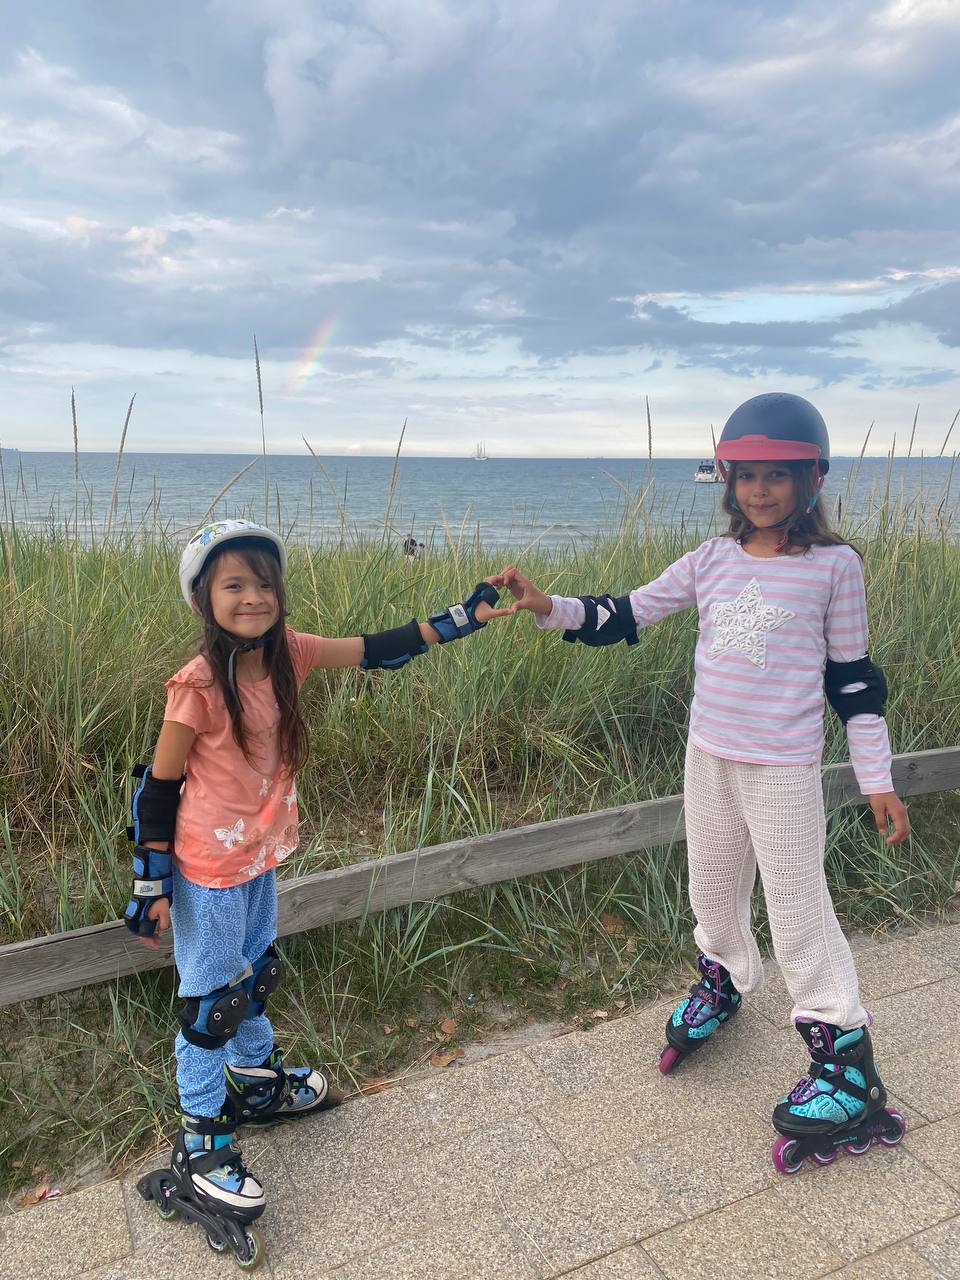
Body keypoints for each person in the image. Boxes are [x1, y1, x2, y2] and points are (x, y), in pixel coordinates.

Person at [493, 393, 911, 1172]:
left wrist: (877, 778)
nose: (760, 490)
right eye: (745, 475)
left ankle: (847, 1062)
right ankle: (724, 981)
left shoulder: (835, 566)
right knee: (711, 889)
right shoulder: (711, 560)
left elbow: (854, 682)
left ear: (812, 479)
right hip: (709, 757)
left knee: (798, 911)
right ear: (727, 481)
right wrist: (547, 605)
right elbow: (627, 613)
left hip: (783, 769)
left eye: (777, 475)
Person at [124, 518, 508, 1253]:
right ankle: (200, 1139)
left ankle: (254, 1078)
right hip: (208, 870)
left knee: (255, 976)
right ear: (204, 599)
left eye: (265, 583)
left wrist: (463, 618)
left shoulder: (290, 654)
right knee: (211, 1003)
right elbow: (158, 788)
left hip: (259, 857)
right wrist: (151, 882)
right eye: (234, 585)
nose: (254, 597)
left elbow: (376, 647)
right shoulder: (197, 686)